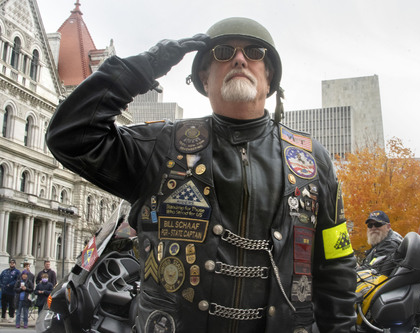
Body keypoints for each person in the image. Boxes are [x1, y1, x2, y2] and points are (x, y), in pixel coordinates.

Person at [46, 17, 357, 332]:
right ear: (204, 78)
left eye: (254, 52)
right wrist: (146, 66)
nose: (239, 58)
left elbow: (338, 262)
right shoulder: (161, 146)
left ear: (270, 76)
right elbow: (69, 136)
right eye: (223, 52)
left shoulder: (312, 160)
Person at [360, 210, 403, 276]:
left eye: (378, 224)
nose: (373, 228)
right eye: (370, 225)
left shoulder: (390, 244)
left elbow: (371, 270)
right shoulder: (380, 241)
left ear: (388, 227)